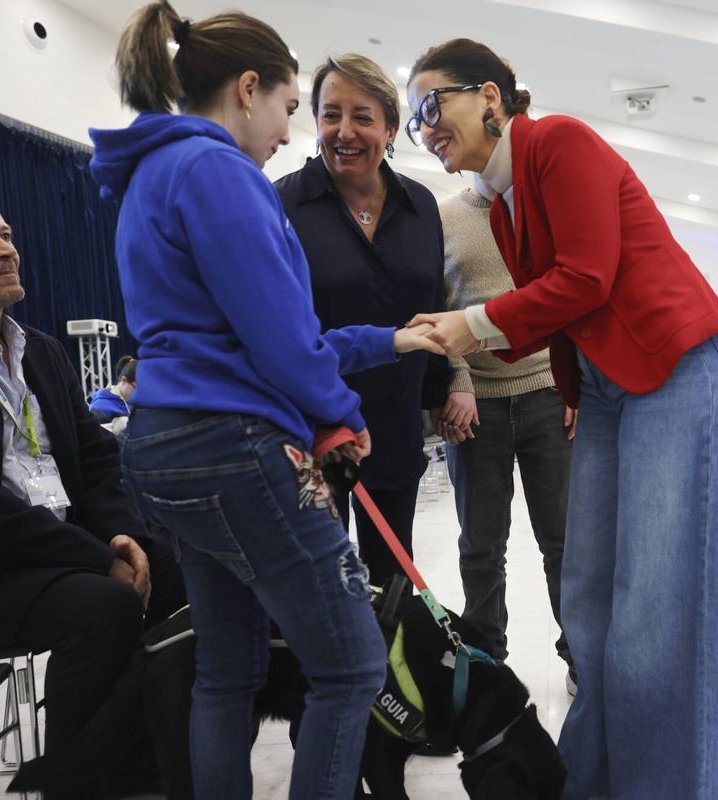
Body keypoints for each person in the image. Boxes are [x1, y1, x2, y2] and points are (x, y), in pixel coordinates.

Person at [89, 4, 442, 798]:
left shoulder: (153, 173)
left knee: (227, 671)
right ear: (249, 89)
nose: (290, 134)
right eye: (291, 108)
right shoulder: (219, 172)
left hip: (168, 447)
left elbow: (248, 334)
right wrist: (341, 415)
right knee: (352, 667)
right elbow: (283, 345)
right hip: (237, 450)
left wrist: (389, 341)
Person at [405, 39, 718, 800]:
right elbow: (540, 321)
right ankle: (591, 783)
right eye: (414, 117)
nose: (424, 126)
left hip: (674, 371)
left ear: (491, 96)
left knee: (665, 624)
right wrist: (443, 341)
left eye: (433, 104)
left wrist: (472, 323)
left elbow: (588, 276)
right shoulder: (500, 206)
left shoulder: (558, 140)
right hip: (599, 391)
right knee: (590, 615)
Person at [0, 184, 185, 755]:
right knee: (103, 605)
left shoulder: (42, 351)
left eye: (5, 234)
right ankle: (76, 776)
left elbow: (96, 459)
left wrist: (121, 538)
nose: (5, 250)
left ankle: (152, 756)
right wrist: (97, 557)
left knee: (172, 569)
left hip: (52, 550)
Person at [275, 54, 450, 586]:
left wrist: (442, 392)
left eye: (362, 117)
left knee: (393, 578)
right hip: (309, 430)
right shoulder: (281, 202)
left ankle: (390, 673)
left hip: (395, 424)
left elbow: (434, 303)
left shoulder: (421, 205)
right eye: (331, 115)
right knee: (318, 581)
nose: (344, 132)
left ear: (392, 129)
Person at [437, 178, 575, 693]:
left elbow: (574, 299)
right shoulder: (444, 218)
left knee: (563, 543)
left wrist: (575, 387)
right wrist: (457, 380)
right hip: (475, 407)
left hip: (548, 395)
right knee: (481, 546)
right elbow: (435, 305)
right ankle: (486, 663)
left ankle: (579, 657)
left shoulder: (545, 214)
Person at [89, 354, 137, 422]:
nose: (140, 393)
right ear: (124, 380)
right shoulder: (99, 408)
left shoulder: (134, 405)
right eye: (136, 388)